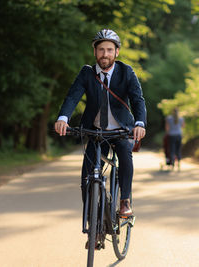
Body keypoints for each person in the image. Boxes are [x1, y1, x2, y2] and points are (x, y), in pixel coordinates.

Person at [55, 29, 147, 216]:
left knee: (125, 157)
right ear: (95, 52)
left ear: (116, 52)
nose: (105, 54)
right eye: (101, 50)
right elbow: (73, 97)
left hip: (121, 131)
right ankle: (93, 221)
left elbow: (138, 100)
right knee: (86, 178)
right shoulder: (87, 73)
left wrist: (140, 123)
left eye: (109, 50)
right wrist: (63, 118)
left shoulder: (126, 72)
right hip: (96, 131)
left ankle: (124, 200)